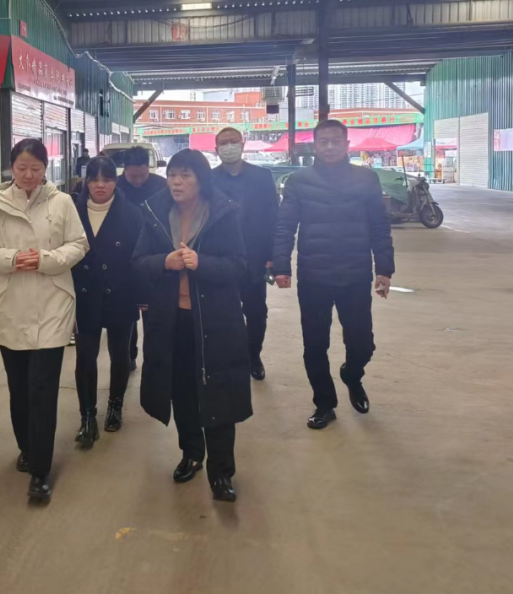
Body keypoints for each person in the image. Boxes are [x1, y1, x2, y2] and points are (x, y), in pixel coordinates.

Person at [0, 139, 88, 501]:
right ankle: (27, 447)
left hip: (53, 304)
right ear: (12, 167)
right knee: (20, 389)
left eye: (35, 169)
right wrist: (11, 259)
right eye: (21, 168)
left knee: (42, 390)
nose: (28, 175)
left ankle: (40, 470)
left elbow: (79, 244)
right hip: (11, 307)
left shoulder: (62, 202)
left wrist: (44, 259)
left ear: (45, 169)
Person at [133, 149, 250, 503]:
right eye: (172, 175)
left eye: (185, 175)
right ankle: (191, 453)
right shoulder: (155, 212)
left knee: (217, 393)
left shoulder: (223, 212)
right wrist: (164, 262)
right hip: (173, 320)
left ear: (201, 179)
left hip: (214, 320)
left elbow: (239, 266)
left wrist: (202, 263)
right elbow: (138, 262)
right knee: (182, 392)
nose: (177, 182)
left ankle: (222, 471)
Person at [271, 119, 396, 430]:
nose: (329, 147)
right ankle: (324, 404)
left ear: (347, 144)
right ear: (315, 146)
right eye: (323, 142)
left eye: (335, 141)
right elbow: (285, 225)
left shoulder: (366, 178)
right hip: (314, 276)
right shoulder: (299, 181)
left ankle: (352, 374)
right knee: (315, 345)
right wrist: (281, 265)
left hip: (355, 274)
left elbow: (380, 226)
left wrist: (384, 269)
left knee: (362, 343)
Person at [71, 156, 142, 445]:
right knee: (85, 356)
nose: (100, 185)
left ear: (116, 181)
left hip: (121, 292)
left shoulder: (132, 213)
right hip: (84, 294)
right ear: (86, 182)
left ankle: (115, 405)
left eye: (107, 179)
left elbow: (140, 258)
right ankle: (87, 415)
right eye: (94, 179)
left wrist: (143, 296)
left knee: (119, 354)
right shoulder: (71, 211)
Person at [211, 127, 280, 381]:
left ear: (242, 144)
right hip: (222, 257)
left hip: (255, 256)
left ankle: (254, 356)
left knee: (256, 311)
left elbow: (274, 217)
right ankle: (229, 358)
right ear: (216, 149)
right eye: (223, 143)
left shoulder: (262, 176)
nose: (228, 147)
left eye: (233, 141)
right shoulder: (209, 179)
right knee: (224, 313)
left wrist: (273, 255)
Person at [115, 145, 168, 371]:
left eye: (142, 175)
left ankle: (153, 360)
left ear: (149, 168)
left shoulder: (162, 186)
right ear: (124, 170)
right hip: (123, 256)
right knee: (127, 313)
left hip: (152, 256)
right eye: (132, 176)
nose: (137, 180)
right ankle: (130, 355)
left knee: (152, 314)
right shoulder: (115, 186)